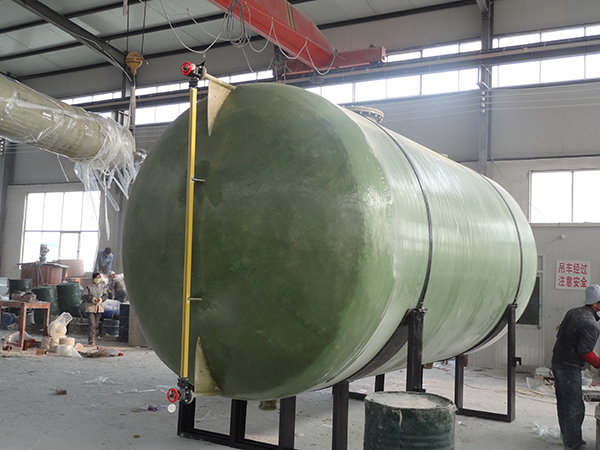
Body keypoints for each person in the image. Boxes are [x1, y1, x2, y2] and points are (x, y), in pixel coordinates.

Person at [552, 284, 600, 450]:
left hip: (557, 360)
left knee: (564, 402)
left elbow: (560, 334)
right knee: (574, 406)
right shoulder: (590, 324)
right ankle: (573, 444)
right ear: (595, 303)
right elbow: (585, 352)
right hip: (569, 366)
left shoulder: (573, 311)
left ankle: (567, 436)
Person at [83, 272, 108, 346]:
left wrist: (101, 299)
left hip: (99, 307)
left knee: (96, 324)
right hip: (90, 307)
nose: (98, 279)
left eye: (99, 277)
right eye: (96, 277)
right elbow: (84, 296)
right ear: (93, 278)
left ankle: (93, 338)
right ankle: (92, 340)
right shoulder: (88, 287)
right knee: (92, 324)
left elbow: (105, 295)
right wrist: (92, 299)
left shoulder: (102, 287)